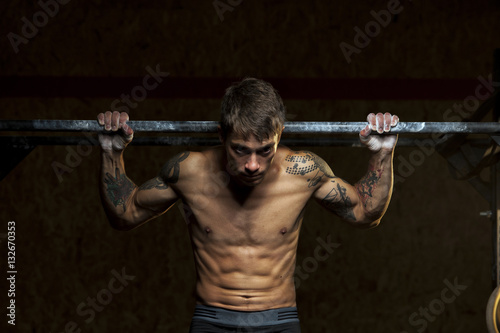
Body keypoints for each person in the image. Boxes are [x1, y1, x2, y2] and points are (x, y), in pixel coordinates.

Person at [97, 77, 399, 332]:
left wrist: (382, 154)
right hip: (212, 319)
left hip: (279, 319)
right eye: (240, 150)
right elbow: (125, 213)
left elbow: (364, 213)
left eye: (265, 150)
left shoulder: (303, 172)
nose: (252, 164)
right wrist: (111, 152)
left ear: (279, 137)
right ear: (221, 135)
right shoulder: (190, 172)